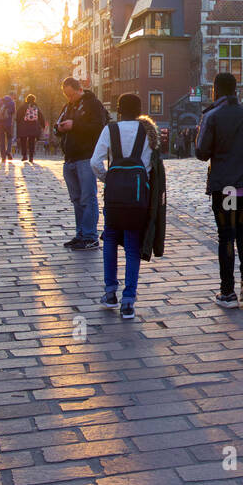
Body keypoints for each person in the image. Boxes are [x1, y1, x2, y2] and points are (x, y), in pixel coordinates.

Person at [196, 72, 243, 306]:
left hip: (227, 189)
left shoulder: (212, 116)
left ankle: (227, 292)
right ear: (236, 90)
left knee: (227, 236)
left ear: (216, 90)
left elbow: (201, 153)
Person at [91, 93, 157, 320]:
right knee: (132, 244)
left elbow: (95, 162)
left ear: (119, 110)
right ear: (139, 110)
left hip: (114, 194)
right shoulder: (147, 132)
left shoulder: (111, 130)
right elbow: (152, 165)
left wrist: (107, 178)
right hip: (138, 195)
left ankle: (110, 291)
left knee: (109, 237)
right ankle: (128, 301)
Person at [56, 76, 109, 249]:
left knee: (88, 198)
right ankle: (80, 234)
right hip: (70, 158)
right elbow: (60, 125)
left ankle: (90, 236)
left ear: (79, 89)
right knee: (76, 200)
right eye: (66, 95)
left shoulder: (93, 104)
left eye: (71, 95)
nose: (69, 98)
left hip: (86, 156)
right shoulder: (68, 106)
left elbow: (99, 127)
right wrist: (59, 128)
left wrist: (74, 125)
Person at [16, 93, 46, 164]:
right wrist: (43, 125)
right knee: (32, 142)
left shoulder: (23, 106)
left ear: (27, 99)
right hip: (34, 127)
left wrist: (18, 123)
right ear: (34, 100)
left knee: (23, 141)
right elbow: (41, 116)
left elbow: (18, 116)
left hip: (24, 127)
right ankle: (31, 157)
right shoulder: (36, 107)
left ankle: (24, 155)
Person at [0, 92, 17, 163]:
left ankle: (3, 157)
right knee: (10, 138)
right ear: (12, 96)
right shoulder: (12, 102)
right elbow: (13, 112)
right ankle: (8, 151)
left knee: (1, 140)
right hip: (8, 123)